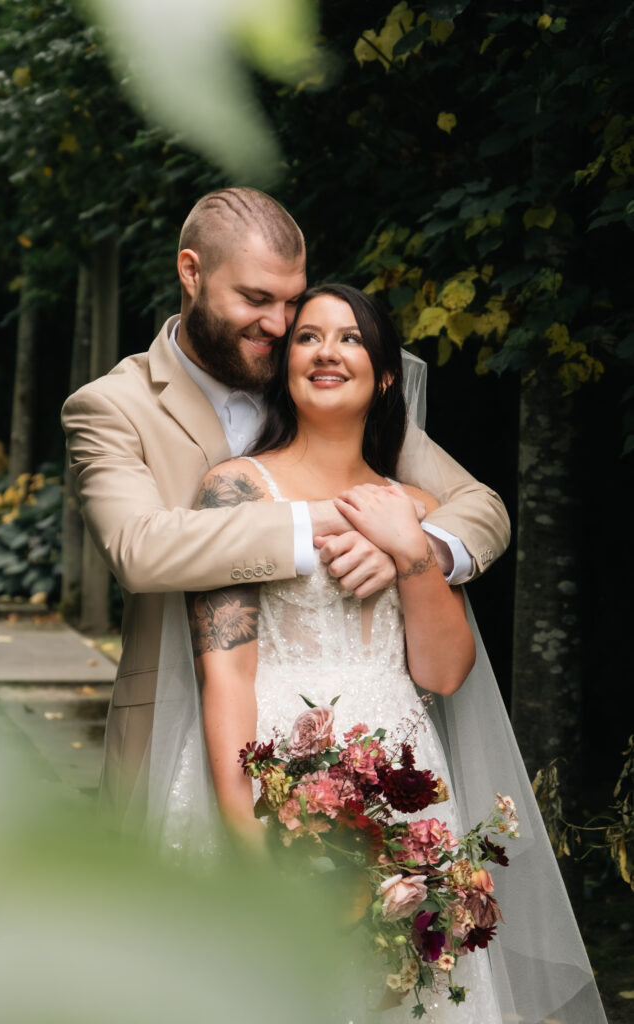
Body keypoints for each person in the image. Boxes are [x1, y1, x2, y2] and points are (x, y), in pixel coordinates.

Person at [154, 284, 605, 1024]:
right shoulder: (235, 490)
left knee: (400, 993)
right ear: (285, 364)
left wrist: (411, 554)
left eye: (351, 338)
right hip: (268, 769)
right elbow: (226, 672)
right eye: (307, 337)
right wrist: (247, 839)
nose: (327, 351)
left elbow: (442, 671)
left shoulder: (418, 509)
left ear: (386, 374)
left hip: (403, 777)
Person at [62, 187, 510, 829]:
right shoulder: (113, 406)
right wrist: (337, 516)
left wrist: (415, 545)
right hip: (176, 732)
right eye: (254, 299)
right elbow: (141, 548)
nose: (276, 324)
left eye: (289, 302)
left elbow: (479, 505)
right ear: (191, 272)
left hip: (369, 752)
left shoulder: (315, 371)